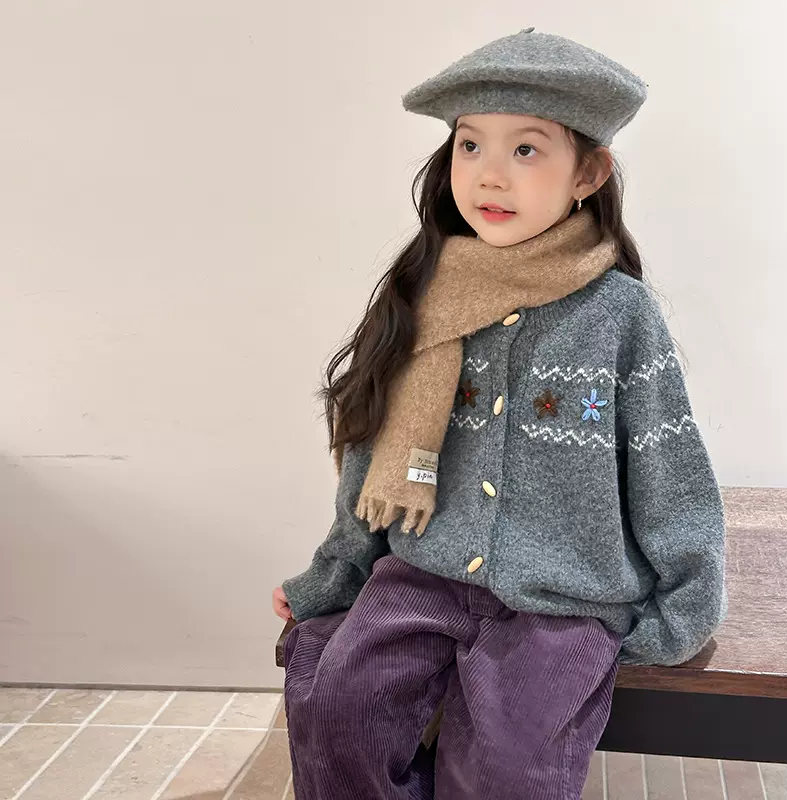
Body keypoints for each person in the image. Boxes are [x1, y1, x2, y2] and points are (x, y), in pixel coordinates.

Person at [273, 27, 727, 800]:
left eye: (525, 149)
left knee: (509, 774)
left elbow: (668, 467)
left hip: (563, 599)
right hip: (422, 572)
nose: (489, 173)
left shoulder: (620, 315)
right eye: (470, 145)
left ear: (588, 173)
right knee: (338, 712)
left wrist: (685, 606)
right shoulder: (424, 293)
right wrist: (336, 574)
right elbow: (371, 454)